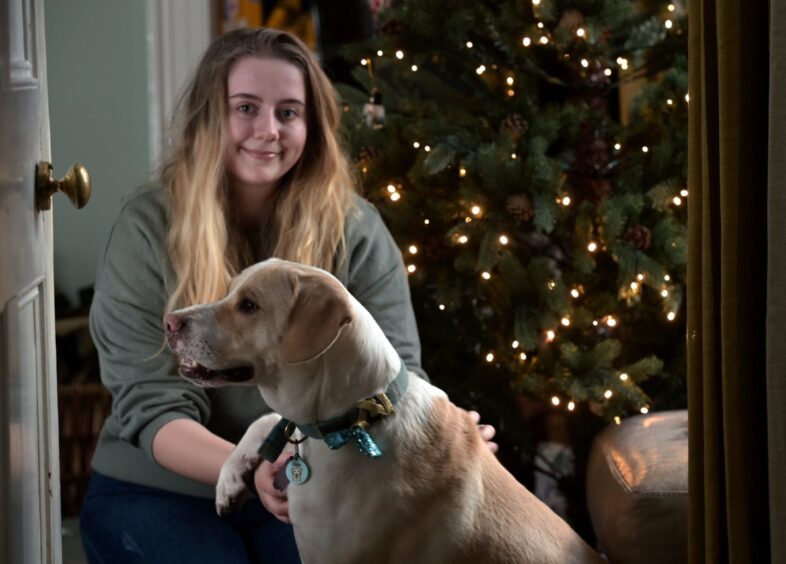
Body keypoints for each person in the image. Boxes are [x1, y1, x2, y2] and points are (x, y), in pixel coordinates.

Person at [79, 27, 496, 564]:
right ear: (211, 116)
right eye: (246, 107)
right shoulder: (147, 226)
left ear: (313, 125)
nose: (268, 130)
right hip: (159, 491)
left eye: (289, 113)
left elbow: (392, 380)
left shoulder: (357, 231)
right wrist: (251, 464)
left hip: (314, 487)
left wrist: (444, 441)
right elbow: (150, 405)